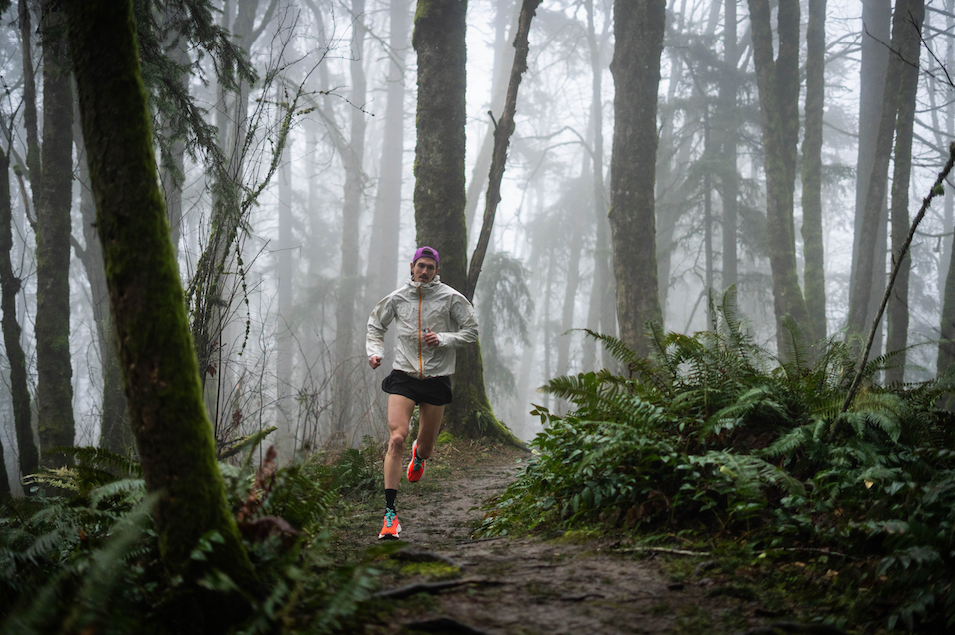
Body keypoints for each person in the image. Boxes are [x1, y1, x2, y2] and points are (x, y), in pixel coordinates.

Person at [366, 246, 478, 539]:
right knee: (397, 438)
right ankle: (390, 515)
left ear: (437, 270)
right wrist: (375, 352)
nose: (425, 271)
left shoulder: (451, 298)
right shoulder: (397, 298)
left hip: (437, 378)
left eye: (431, 267)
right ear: (412, 267)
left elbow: (471, 330)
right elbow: (376, 324)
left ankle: (420, 454)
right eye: (421, 266)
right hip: (403, 375)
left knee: (425, 447)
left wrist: (442, 338)